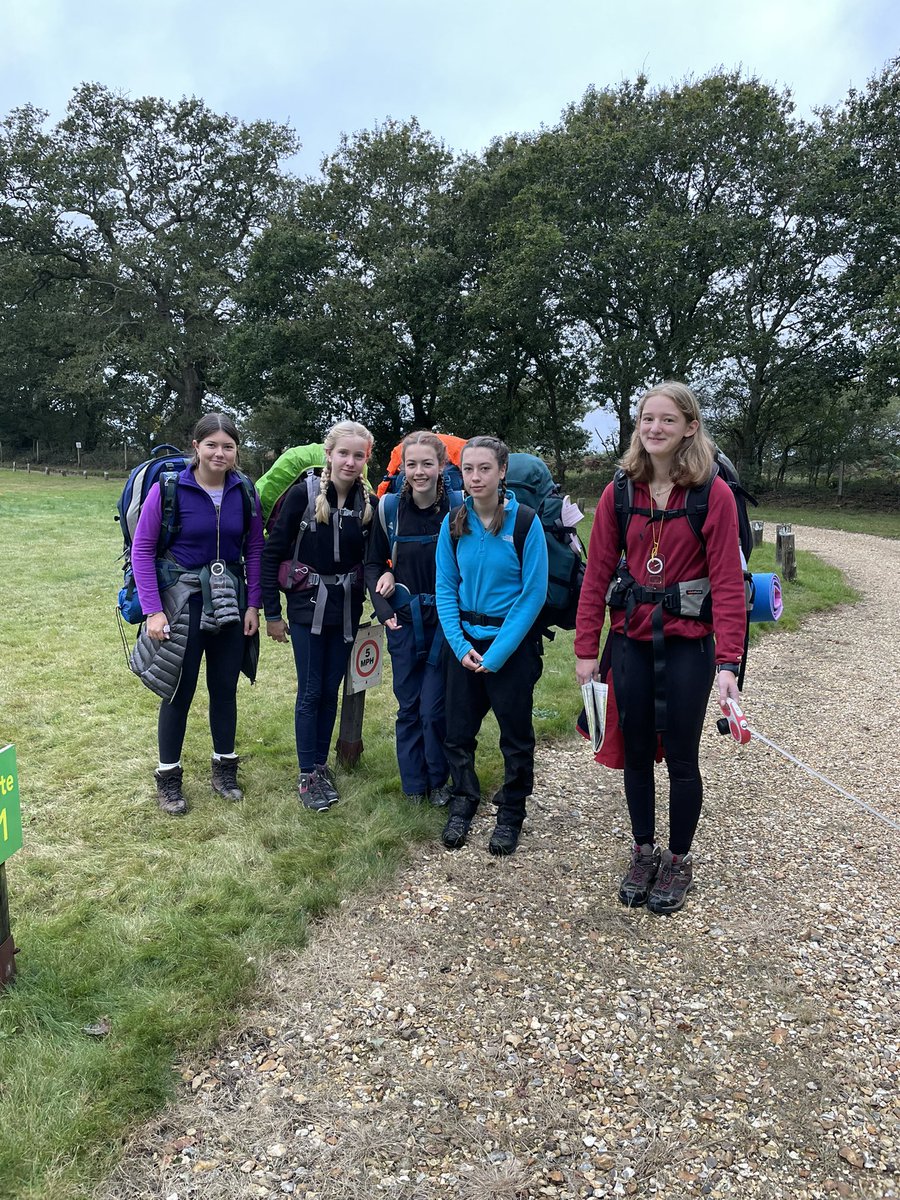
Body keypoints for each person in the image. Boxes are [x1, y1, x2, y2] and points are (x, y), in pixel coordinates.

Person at [574, 381, 747, 914]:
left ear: (690, 427)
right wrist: (586, 650)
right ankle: (643, 850)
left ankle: (678, 857)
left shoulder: (711, 494)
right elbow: (597, 573)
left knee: (683, 759)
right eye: (647, 418)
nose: (654, 428)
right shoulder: (619, 492)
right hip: (628, 642)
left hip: (688, 646)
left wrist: (728, 662)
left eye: (667, 420)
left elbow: (727, 582)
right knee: (636, 756)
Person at [131, 412, 264, 815]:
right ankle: (168, 778)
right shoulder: (169, 488)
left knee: (225, 688)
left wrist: (253, 603)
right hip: (182, 603)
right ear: (197, 447)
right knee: (178, 690)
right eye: (212, 445)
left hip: (230, 603)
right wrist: (153, 611)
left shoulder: (244, 490)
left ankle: (225, 769)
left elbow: (255, 549)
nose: (219, 453)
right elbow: (142, 550)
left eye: (227, 446)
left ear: (236, 450)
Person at [434, 436, 549, 856]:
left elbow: (532, 594)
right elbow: (445, 587)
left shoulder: (524, 523)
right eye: (468, 469)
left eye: (485, 468)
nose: (476, 477)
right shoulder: (454, 522)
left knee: (515, 734)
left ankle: (512, 810)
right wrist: (459, 644)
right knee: (458, 732)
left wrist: (498, 653)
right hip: (463, 644)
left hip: (511, 647)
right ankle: (464, 799)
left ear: (502, 472)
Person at [262, 420, 374, 812]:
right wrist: (271, 613)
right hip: (307, 607)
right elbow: (271, 552)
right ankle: (307, 771)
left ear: (366, 458)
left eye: (358, 455)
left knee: (331, 689)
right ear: (329, 454)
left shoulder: (368, 503)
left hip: (345, 608)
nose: (350, 461)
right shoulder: (303, 496)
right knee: (310, 690)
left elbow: (373, 559)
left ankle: (321, 765)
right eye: (343, 453)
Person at [366, 432, 454, 807]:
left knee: (435, 708)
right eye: (411, 465)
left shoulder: (458, 508)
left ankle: (439, 780)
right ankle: (414, 786)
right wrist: (384, 613)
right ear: (403, 468)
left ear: (442, 466)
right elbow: (371, 564)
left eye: (427, 464)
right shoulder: (388, 510)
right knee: (408, 706)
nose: (419, 472)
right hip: (402, 621)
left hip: (445, 624)